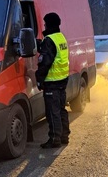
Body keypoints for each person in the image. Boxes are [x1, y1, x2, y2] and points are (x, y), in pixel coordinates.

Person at [35, 12, 70, 148]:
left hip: (52, 81)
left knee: (52, 112)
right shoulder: (60, 37)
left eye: (45, 23)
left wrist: (39, 79)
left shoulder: (49, 40)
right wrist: (41, 45)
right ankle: (64, 137)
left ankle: (54, 139)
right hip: (62, 80)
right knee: (61, 110)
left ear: (48, 24)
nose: (44, 25)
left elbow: (45, 62)